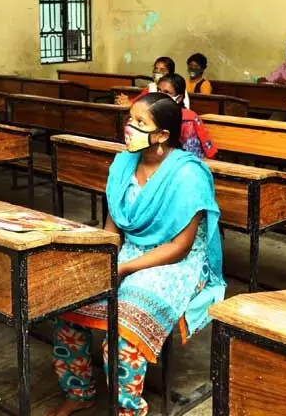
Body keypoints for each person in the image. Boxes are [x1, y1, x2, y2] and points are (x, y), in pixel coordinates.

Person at [46, 93, 224, 416]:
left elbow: (179, 247)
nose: (130, 128)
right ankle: (79, 391)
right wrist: (101, 263)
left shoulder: (188, 175)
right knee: (66, 305)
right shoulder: (124, 163)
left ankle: (128, 411)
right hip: (130, 253)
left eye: (141, 123)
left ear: (162, 136)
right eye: (130, 119)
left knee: (123, 332)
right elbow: (114, 226)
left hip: (175, 264)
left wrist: (125, 268)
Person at [157, 74, 217, 159]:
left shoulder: (187, 119)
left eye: (167, 92)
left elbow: (191, 155)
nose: (160, 96)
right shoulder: (154, 113)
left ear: (179, 98)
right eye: (158, 90)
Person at [116, 57, 190, 108]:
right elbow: (136, 102)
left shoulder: (179, 89)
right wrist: (125, 101)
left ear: (170, 73)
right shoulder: (152, 86)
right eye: (156, 69)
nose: (157, 72)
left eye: (162, 70)